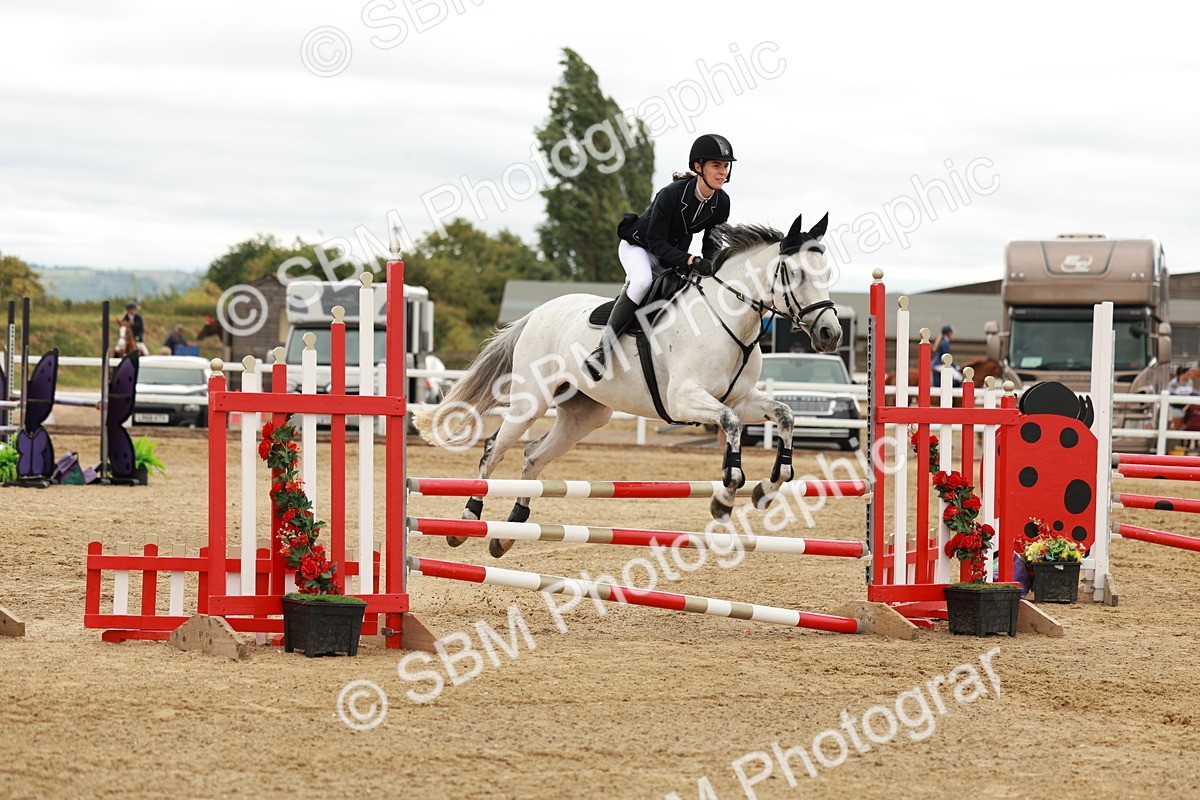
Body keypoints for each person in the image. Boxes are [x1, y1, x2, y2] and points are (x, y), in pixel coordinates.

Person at [582, 133, 735, 381]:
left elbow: (712, 242)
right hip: (639, 247)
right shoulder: (672, 194)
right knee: (642, 281)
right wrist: (688, 260)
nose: (723, 172)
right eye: (716, 165)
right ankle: (602, 351)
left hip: (669, 255)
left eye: (726, 166)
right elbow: (655, 241)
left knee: (686, 293)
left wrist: (711, 266)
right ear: (698, 167)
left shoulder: (722, 203)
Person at [1167, 365, 1196, 429]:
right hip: (1177, 407)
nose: (1189, 375)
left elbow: (1190, 392)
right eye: (1188, 374)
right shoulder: (1173, 383)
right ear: (1183, 374)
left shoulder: (1190, 381)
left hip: (1188, 406)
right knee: (1177, 426)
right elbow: (1170, 395)